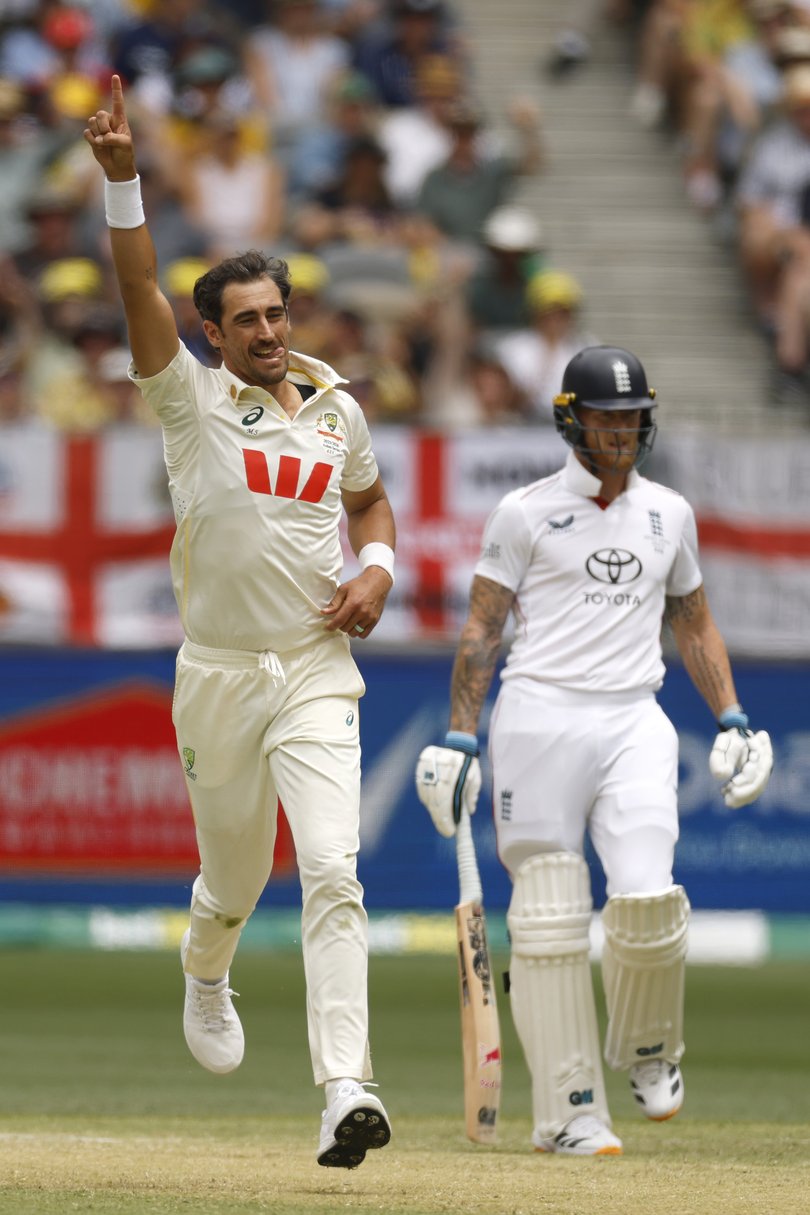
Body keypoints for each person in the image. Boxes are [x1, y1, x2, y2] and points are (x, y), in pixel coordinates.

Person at [84, 75, 395, 1170]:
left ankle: (345, 1088)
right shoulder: (189, 400)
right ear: (214, 334)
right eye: (246, 319)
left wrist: (378, 568)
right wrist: (125, 182)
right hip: (218, 673)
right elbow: (138, 289)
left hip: (315, 667)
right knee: (237, 879)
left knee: (334, 869)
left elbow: (370, 502)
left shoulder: (338, 408)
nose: (267, 330)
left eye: (277, 313)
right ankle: (205, 967)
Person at [415, 344, 773, 1156]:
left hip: (635, 717)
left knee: (647, 895)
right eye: (607, 418)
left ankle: (649, 1047)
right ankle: (569, 1113)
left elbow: (694, 622)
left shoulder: (670, 513)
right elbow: (483, 627)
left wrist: (733, 718)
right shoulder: (524, 512)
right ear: (571, 421)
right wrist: (460, 736)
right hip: (539, 718)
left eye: (633, 417)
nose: (622, 432)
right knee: (548, 917)